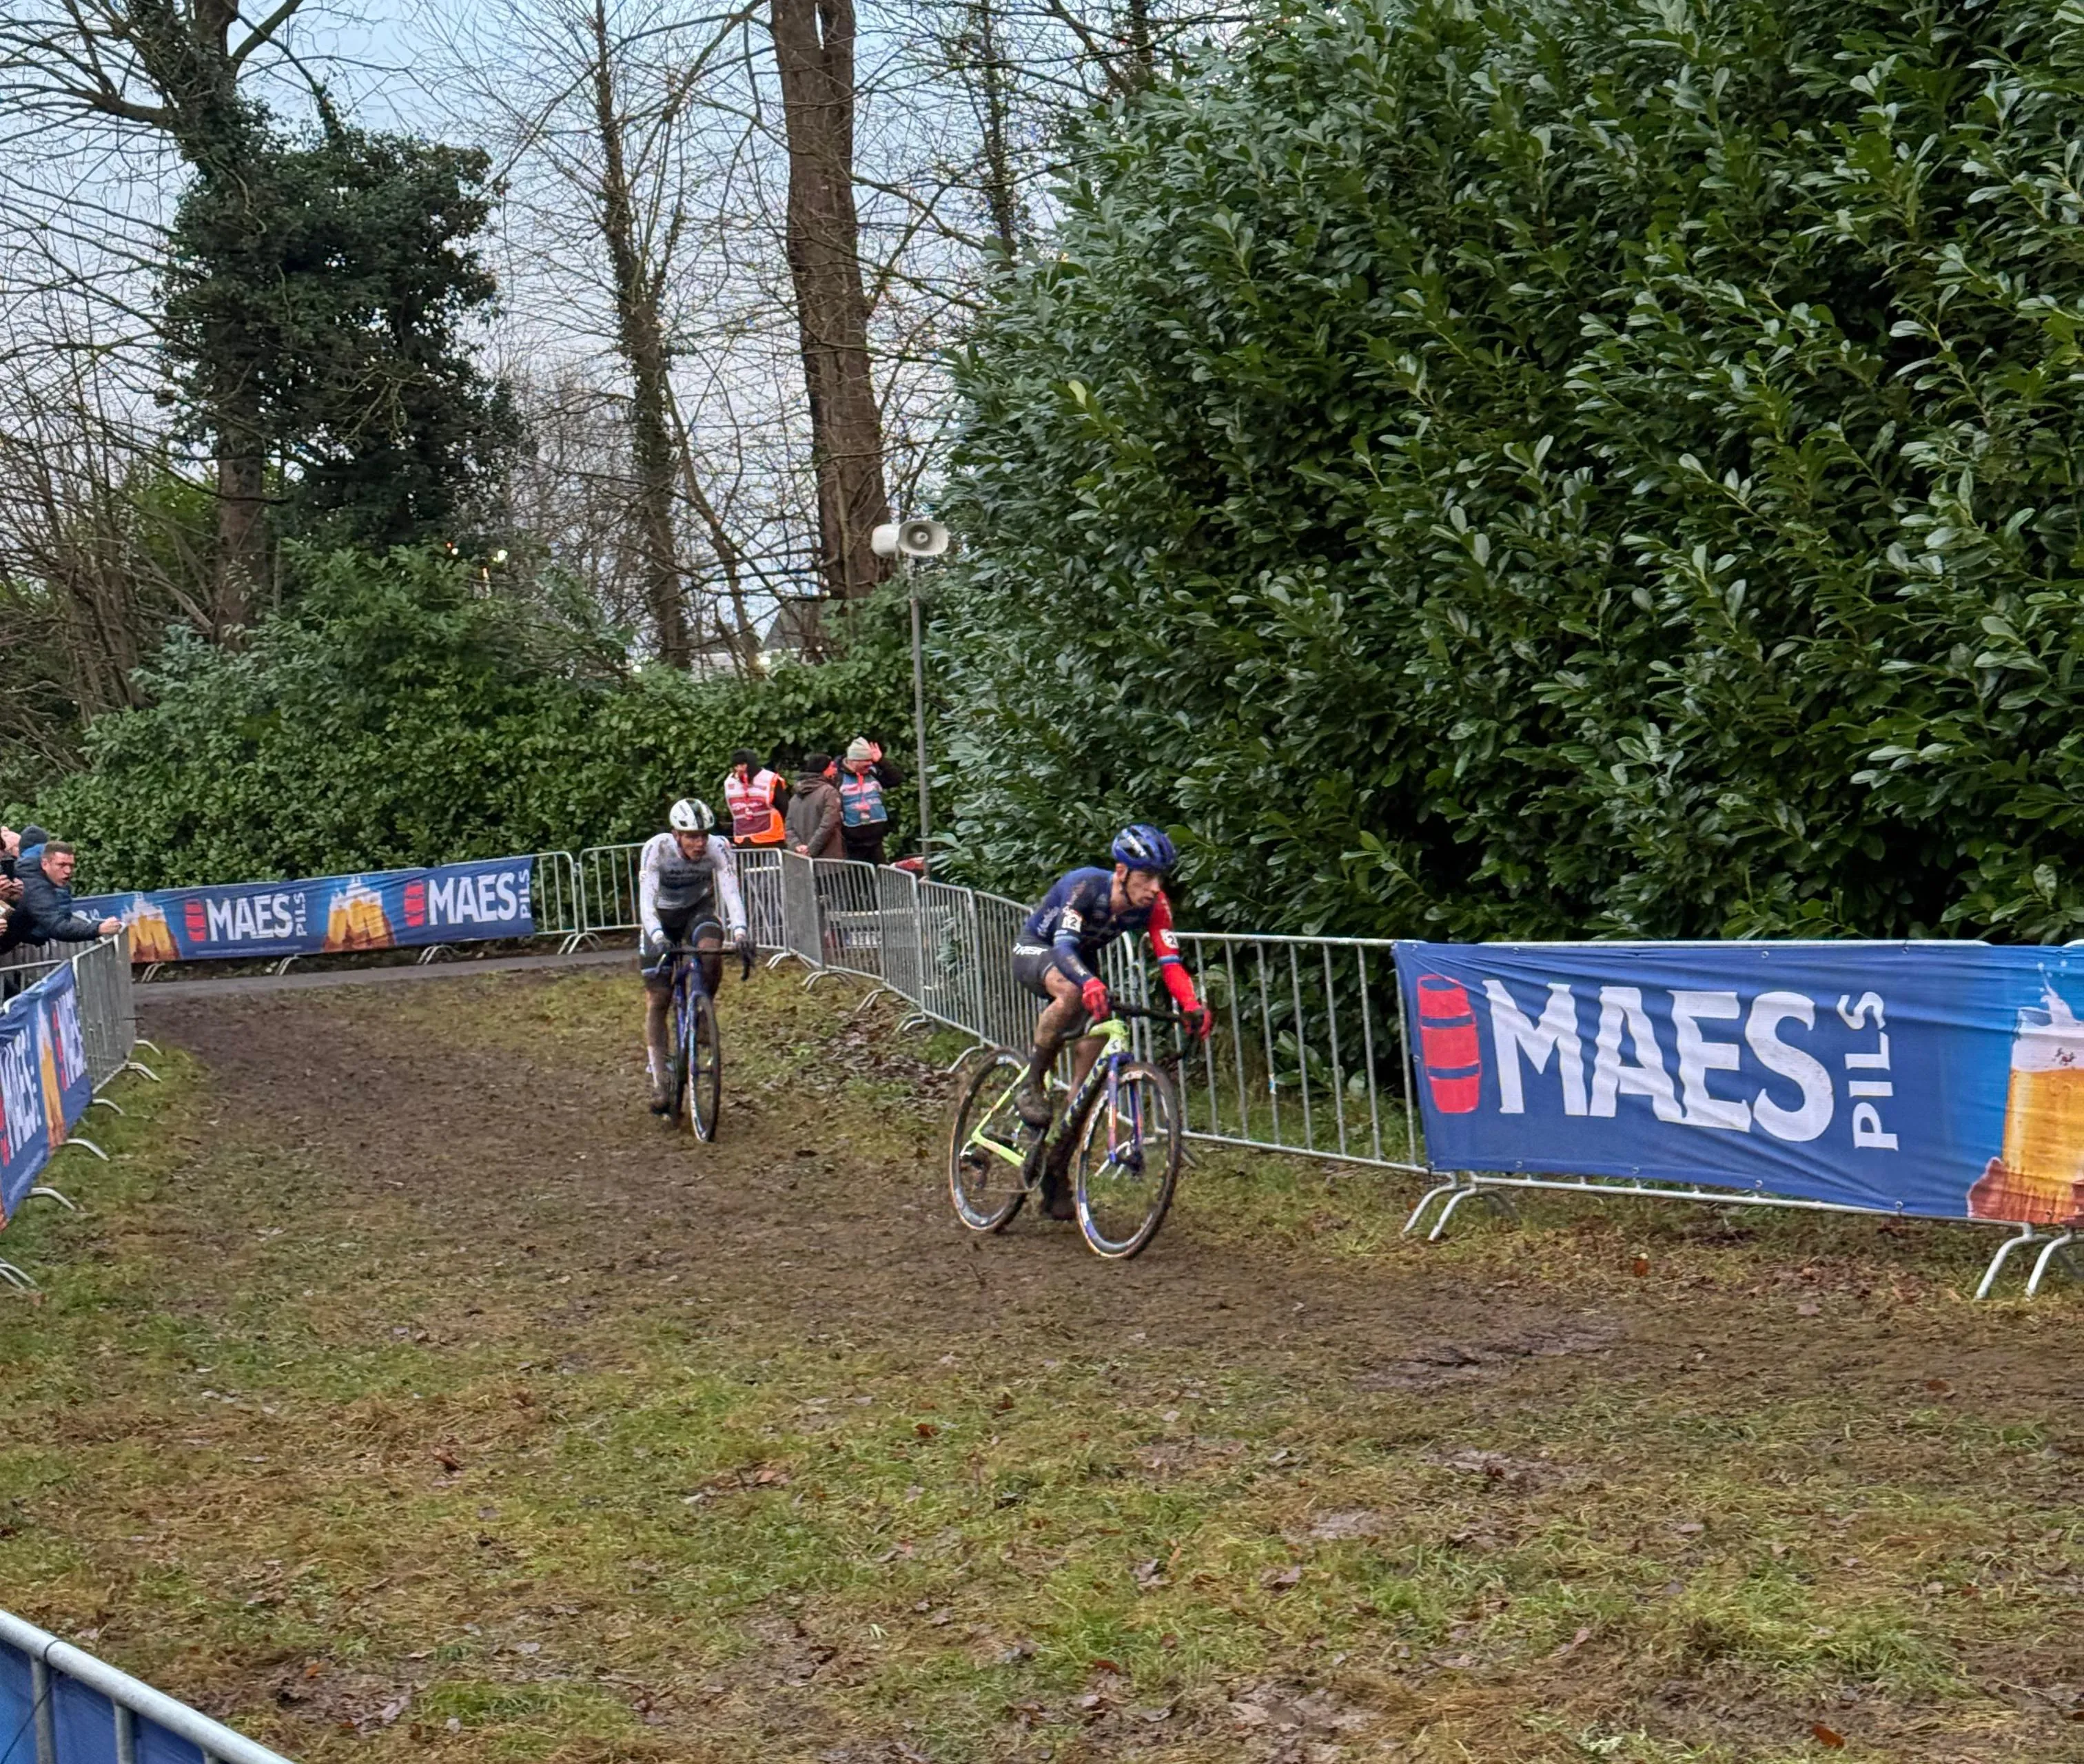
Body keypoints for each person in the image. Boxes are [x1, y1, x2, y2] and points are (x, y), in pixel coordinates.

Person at [1010, 825, 1214, 1216]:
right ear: (1121, 872)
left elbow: (1170, 963)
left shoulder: (1156, 906)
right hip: (1040, 950)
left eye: (1160, 878)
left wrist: (1190, 1003)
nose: (1155, 887)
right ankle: (1033, 1083)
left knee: (1087, 1083)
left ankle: (1055, 1175)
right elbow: (1064, 945)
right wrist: (1087, 983)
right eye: (1146, 877)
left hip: (1082, 962)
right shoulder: (1085, 886)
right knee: (1072, 992)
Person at [637, 799, 751, 1115]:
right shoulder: (657, 849)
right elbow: (646, 900)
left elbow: (730, 890)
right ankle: (661, 1080)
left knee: (712, 948)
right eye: (691, 837)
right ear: (676, 834)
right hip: (660, 919)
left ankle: (703, 1014)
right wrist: (658, 938)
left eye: (703, 835)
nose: (699, 843)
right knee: (658, 998)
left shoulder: (718, 847)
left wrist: (741, 932)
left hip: (697, 912)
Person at [0, 837, 121, 957]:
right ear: (45, 864)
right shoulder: (37, 887)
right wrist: (98, 929)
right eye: (61, 865)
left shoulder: (22, 872)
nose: (68, 871)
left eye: (71, 866)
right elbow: (58, 927)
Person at [836, 738, 901, 865]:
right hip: (852, 842)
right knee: (858, 881)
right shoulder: (838, 779)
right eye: (866, 761)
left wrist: (881, 761)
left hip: (876, 839)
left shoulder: (873, 773)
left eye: (871, 760)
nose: (870, 764)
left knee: (879, 878)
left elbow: (897, 779)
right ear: (854, 760)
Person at [723, 748, 789, 848]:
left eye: (743, 764)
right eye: (736, 765)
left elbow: (784, 807)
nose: (740, 769)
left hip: (771, 839)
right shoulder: (730, 782)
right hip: (743, 839)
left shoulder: (770, 779)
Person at [785, 752, 844, 859]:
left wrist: (797, 846)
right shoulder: (829, 792)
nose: (835, 770)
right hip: (828, 861)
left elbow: (788, 827)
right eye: (832, 766)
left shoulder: (796, 795)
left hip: (801, 862)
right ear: (824, 769)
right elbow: (828, 825)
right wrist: (811, 849)